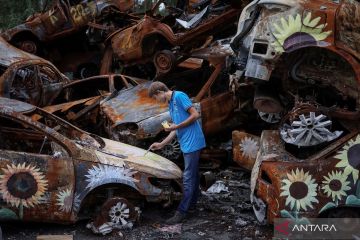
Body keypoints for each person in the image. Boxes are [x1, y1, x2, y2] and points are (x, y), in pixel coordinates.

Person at [148, 81, 206, 224]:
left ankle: (182, 212)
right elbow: (175, 130)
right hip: (186, 143)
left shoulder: (179, 96)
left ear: (159, 92)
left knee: (187, 177)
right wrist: (161, 144)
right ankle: (192, 206)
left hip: (193, 142)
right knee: (192, 175)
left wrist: (177, 126)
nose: (157, 101)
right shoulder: (170, 103)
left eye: (155, 98)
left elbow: (195, 115)